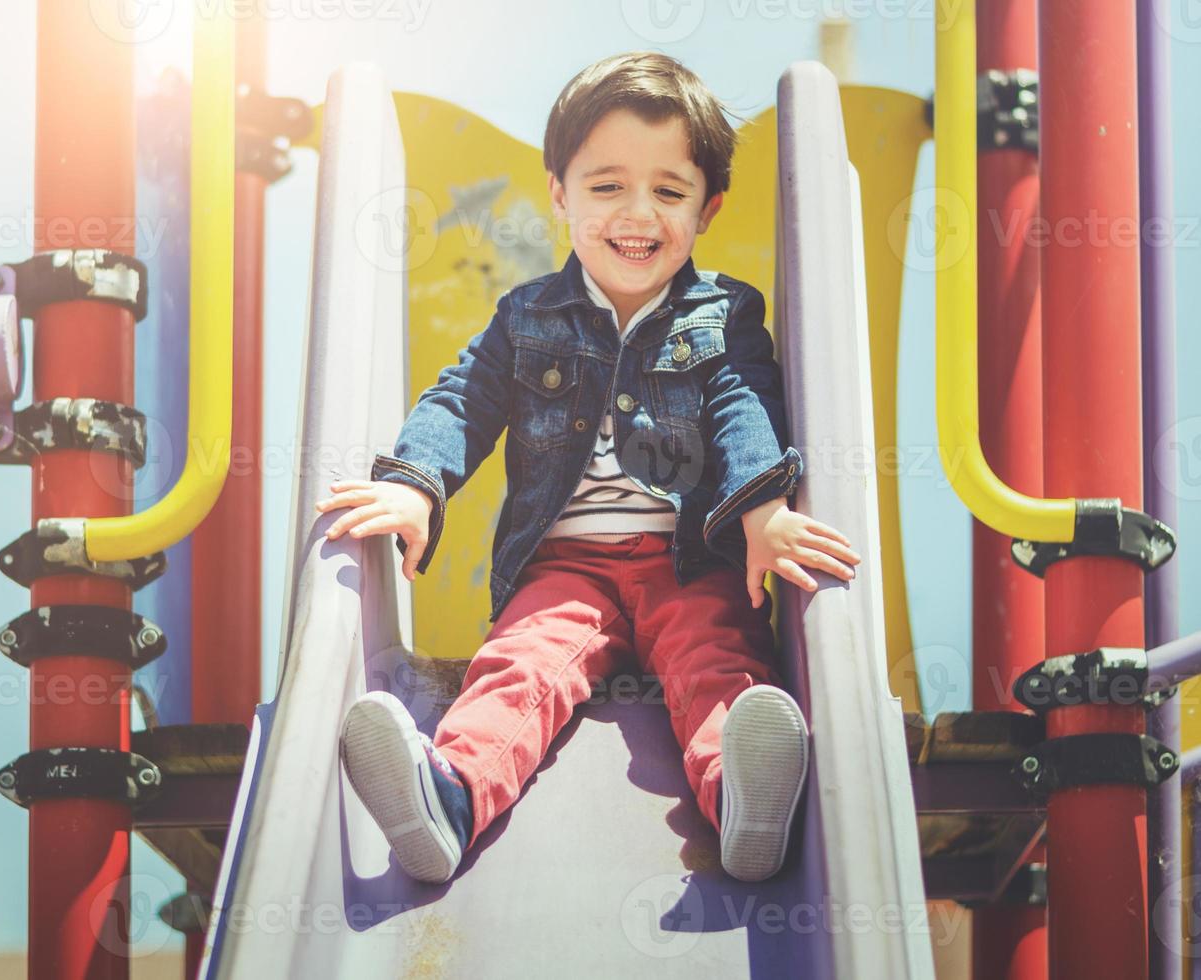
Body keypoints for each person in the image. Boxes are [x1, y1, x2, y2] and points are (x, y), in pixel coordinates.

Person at [319, 51, 860, 885]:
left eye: (670, 193)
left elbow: (743, 404)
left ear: (708, 207)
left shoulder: (724, 315)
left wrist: (763, 512)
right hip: (567, 568)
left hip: (690, 562)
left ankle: (743, 801)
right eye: (607, 187)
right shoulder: (529, 315)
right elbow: (463, 398)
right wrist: (413, 485)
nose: (637, 214)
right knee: (519, 665)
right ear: (561, 194)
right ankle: (450, 794)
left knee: (718, 663)